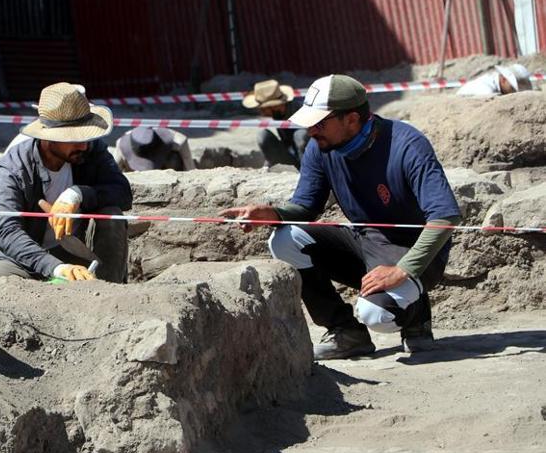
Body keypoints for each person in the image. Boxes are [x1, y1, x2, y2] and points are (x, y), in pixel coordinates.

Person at [220, 74, 461, 360]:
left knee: (376, 314)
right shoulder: (321, 148)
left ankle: (416, 316)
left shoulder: (407, 144)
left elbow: (445, 215)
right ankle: (346, 332)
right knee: (284, 239)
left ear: (352, 119)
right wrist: (272, 213)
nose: (311, 131)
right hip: (363, 239)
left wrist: (403, 270)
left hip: (412, 250)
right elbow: (306, 207)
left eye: (319, 122)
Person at [0, 82, 132, 286]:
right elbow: (8, 232)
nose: (83, 144)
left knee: (112, 214)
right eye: (74, 138)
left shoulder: (91, 150)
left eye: (86, 136)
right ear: (48, 138)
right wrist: (56, 267)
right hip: (26, 261)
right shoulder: (15, 166)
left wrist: (78, 194)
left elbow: (122, 192)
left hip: (76, 251)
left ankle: (110, 289)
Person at [243, 79, 308, 169]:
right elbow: (287, 143)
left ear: (275, 106)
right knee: (263, 136)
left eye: (263, 109)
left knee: (300, 135)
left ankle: (308, 171)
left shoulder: (302, 111)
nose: (261, 112)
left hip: (311, 160)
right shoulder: (279, 114)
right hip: (293, 157)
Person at [114, 126, 195, 172]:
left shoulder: (178, 141)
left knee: (174, 160)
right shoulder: (122, 144)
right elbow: (112, 173)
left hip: (165, 168)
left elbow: (191, 170)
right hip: (133, 171)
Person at [457, 63, 532, 96]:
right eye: (513, 88)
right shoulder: (486, 91)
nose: (515, 93)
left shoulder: (493, 83)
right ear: (503, 79)